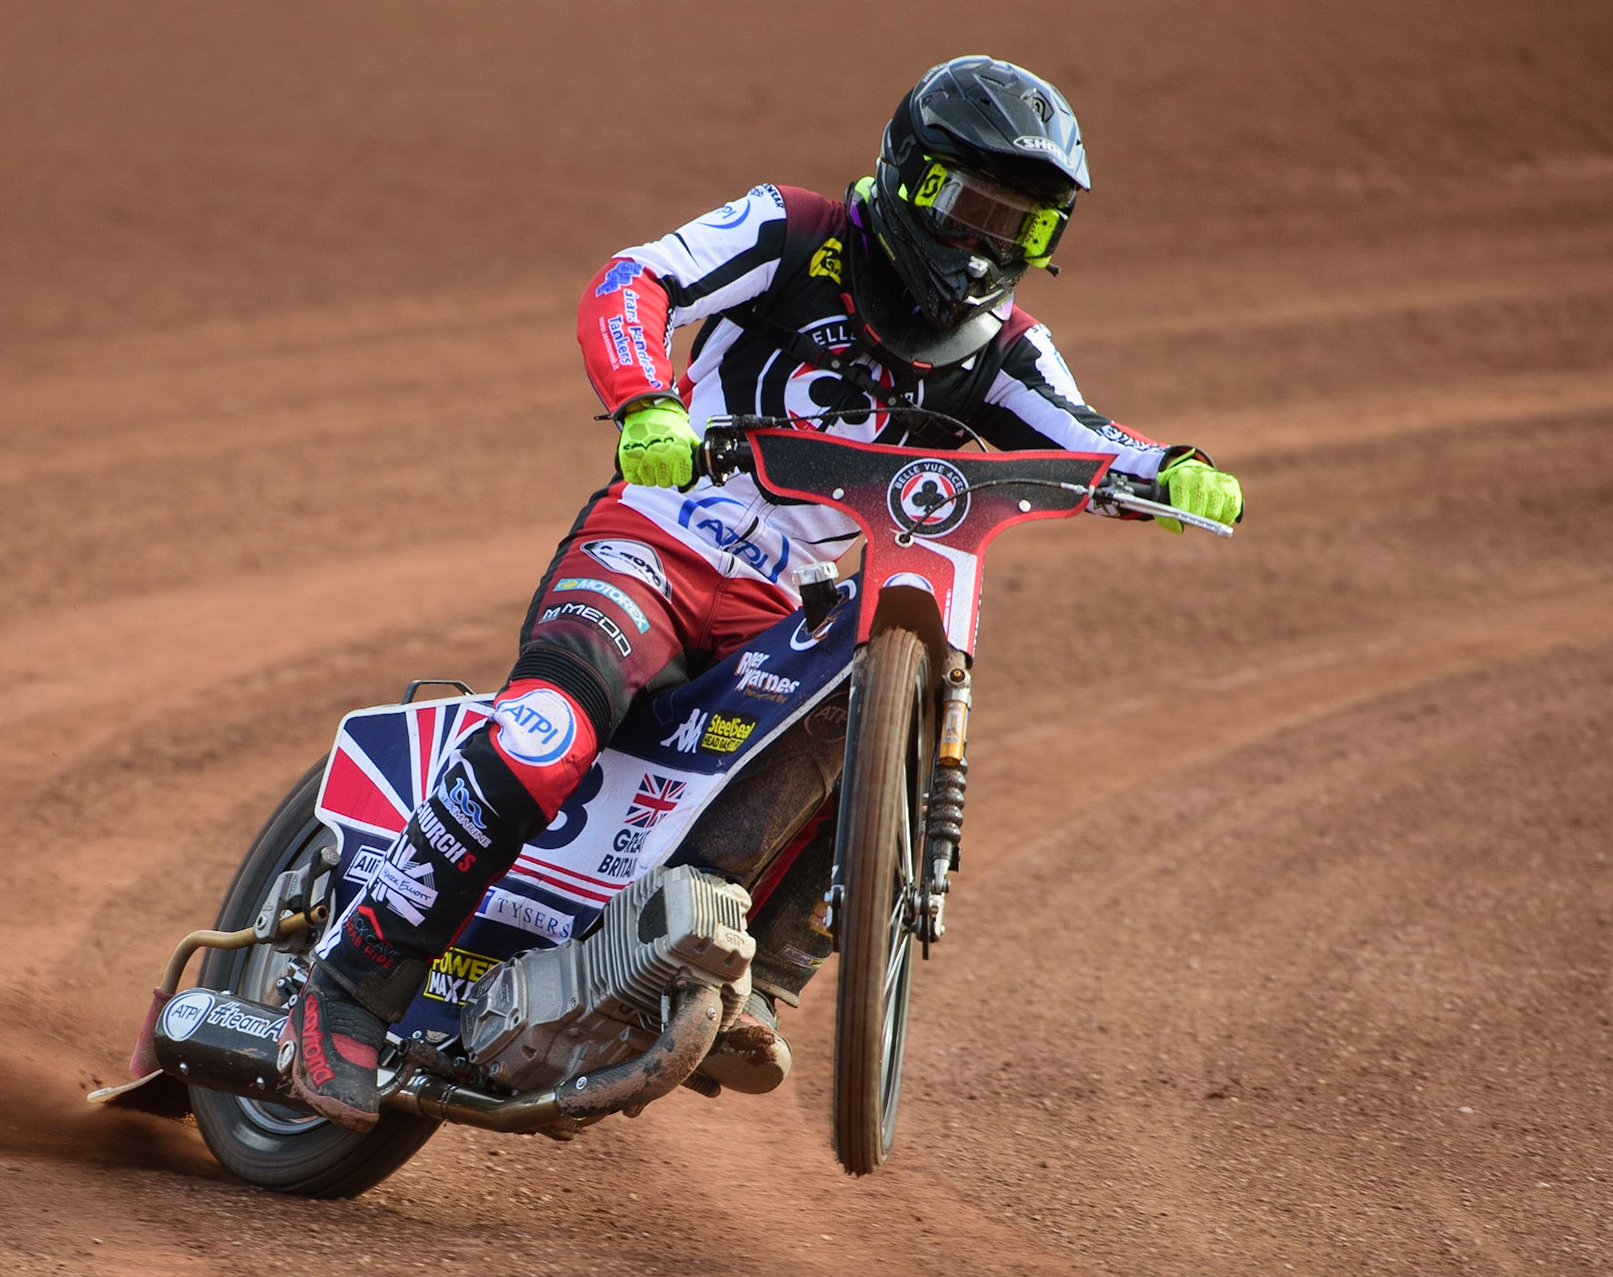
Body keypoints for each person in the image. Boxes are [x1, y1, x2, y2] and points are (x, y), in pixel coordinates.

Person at [279, 55, 1244, 1129]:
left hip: (787, 601)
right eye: (973, 207)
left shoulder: (1007, 349)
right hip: (654, 543)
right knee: (549, 731)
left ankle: (757, 972)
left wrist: (1173, 471)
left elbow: (1092, 439)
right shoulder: (791, 231)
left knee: (889, 693)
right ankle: (348, 985)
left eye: (1023, 229)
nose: (988, 244)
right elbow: (633, 281)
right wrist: (646, 398)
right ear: (912, 177)